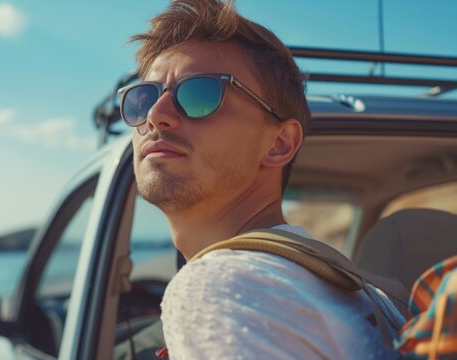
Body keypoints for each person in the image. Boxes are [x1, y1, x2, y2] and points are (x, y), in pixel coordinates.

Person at [117, 0, 403, 358]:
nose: (157, 116)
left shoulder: (221, 288)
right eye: (144, 98)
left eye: (202, 93)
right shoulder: (352, 293)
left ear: (280, 143)